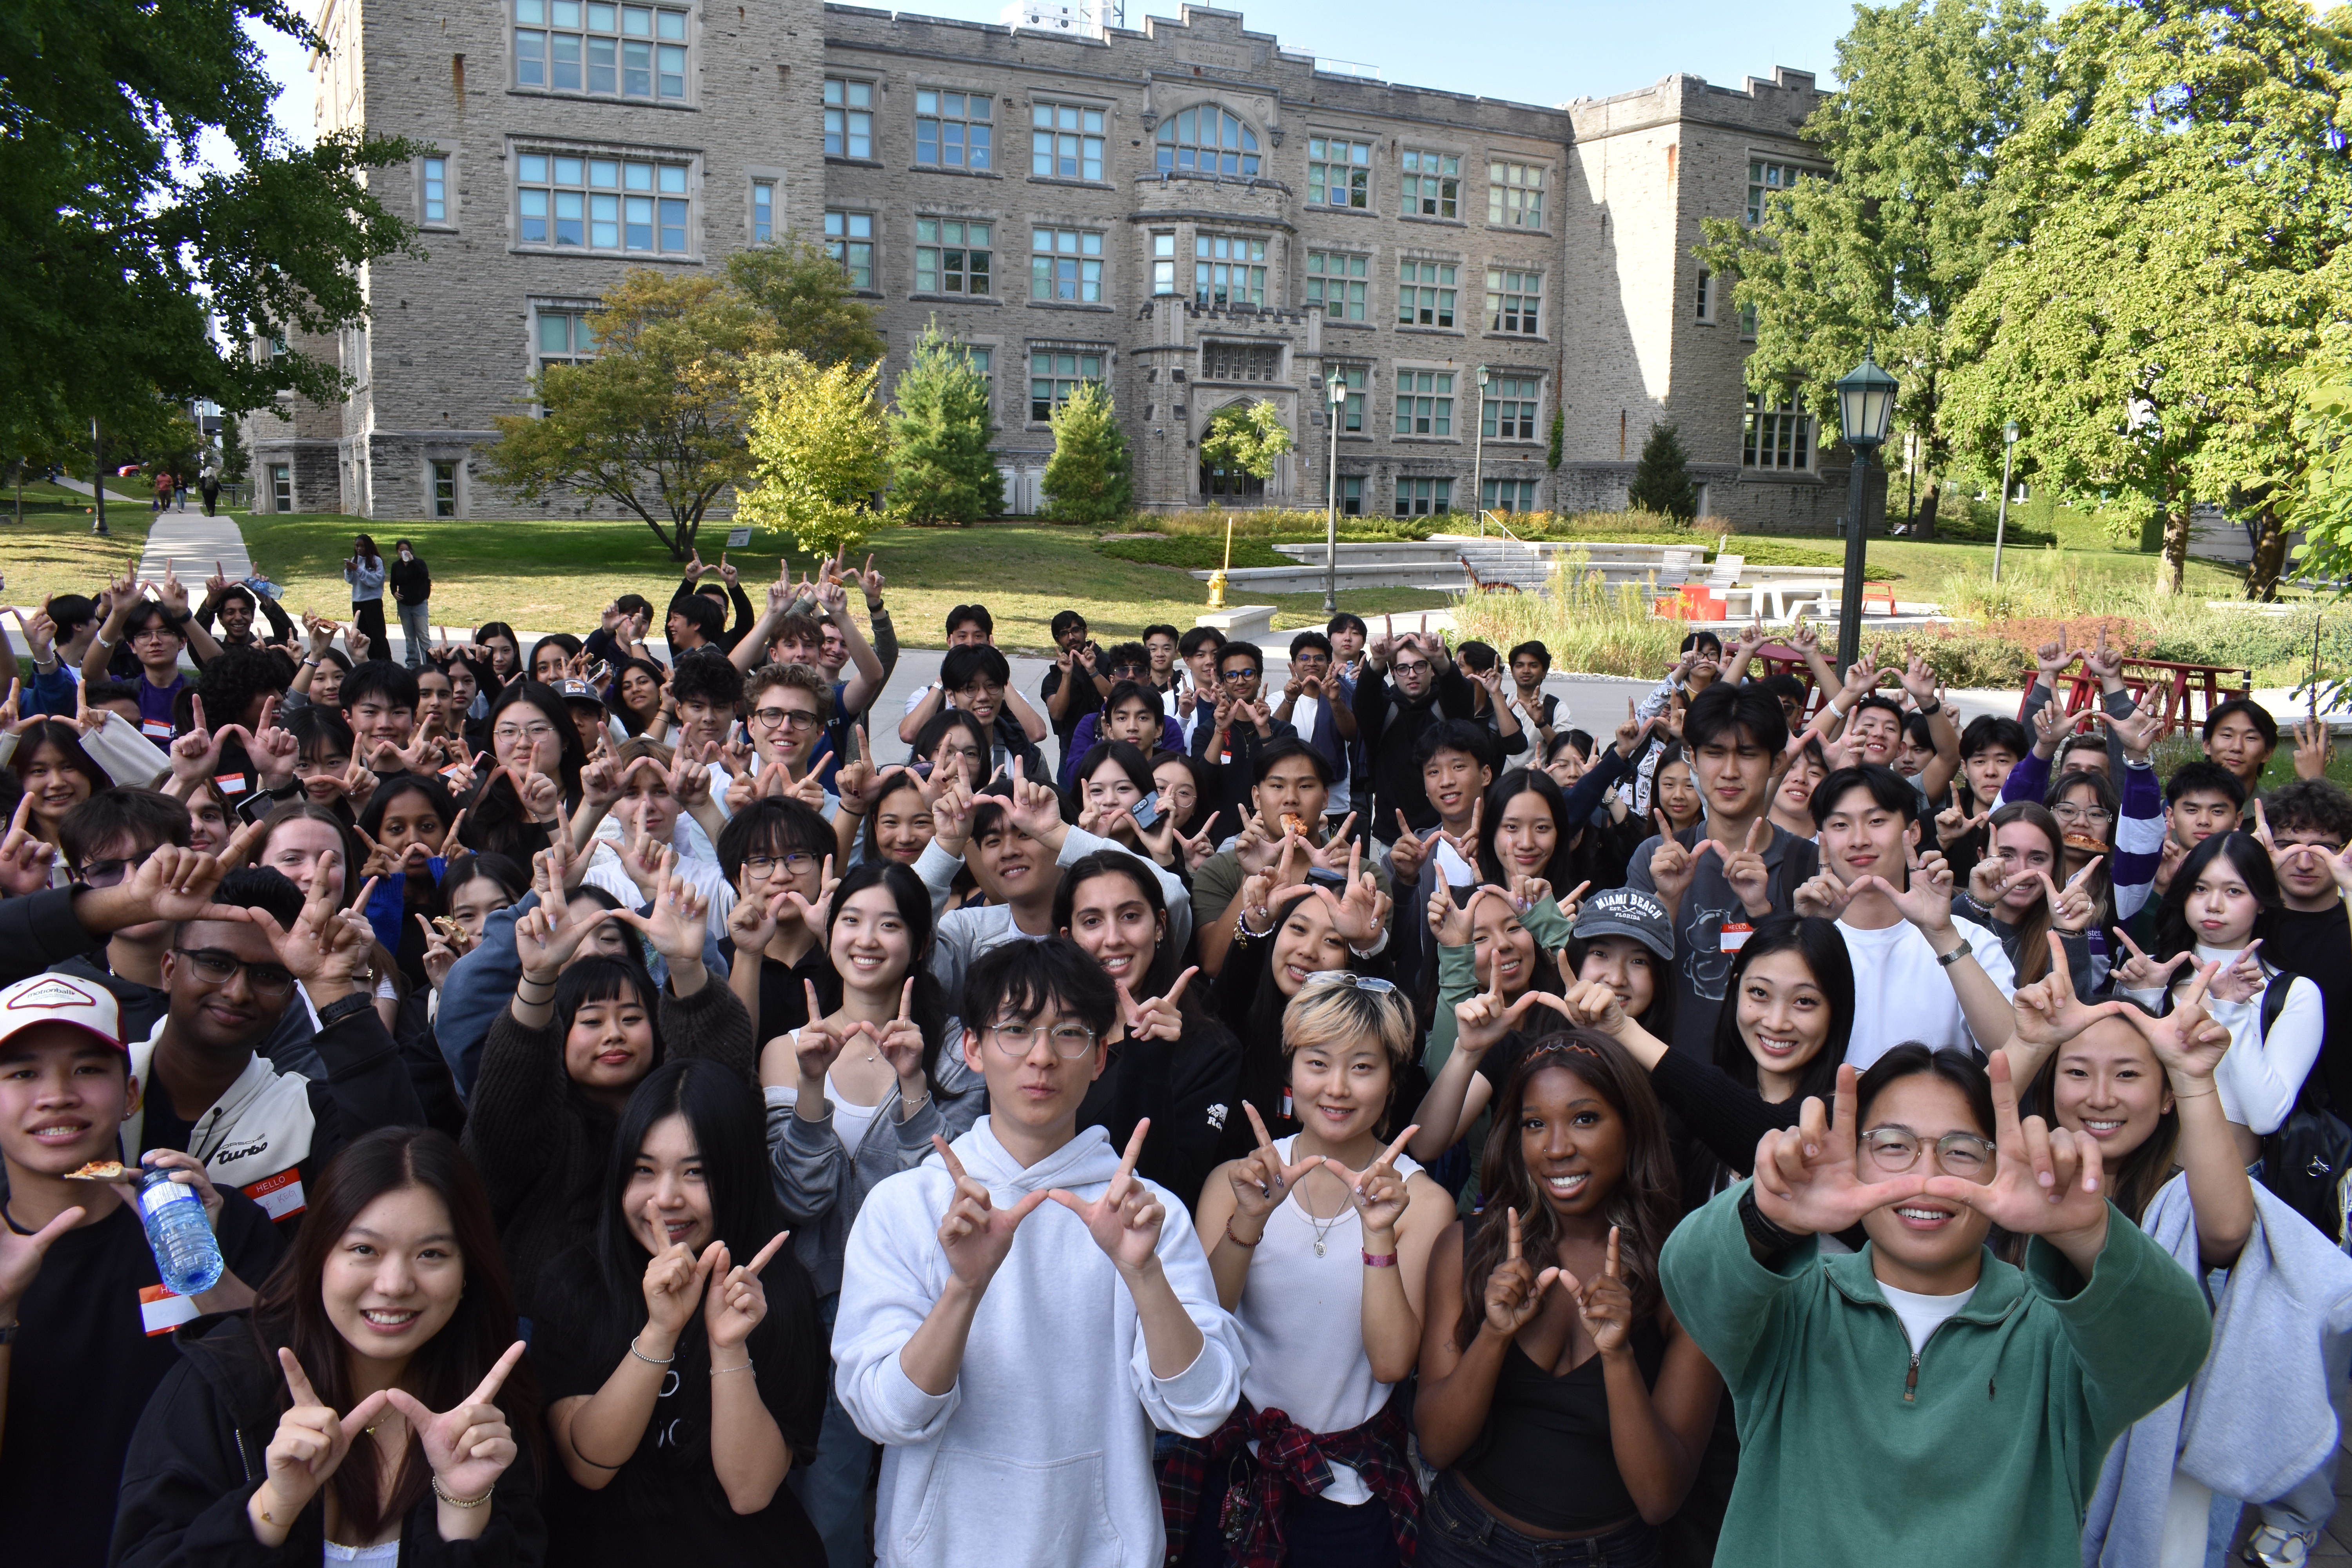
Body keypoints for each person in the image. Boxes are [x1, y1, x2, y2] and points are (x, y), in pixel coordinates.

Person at [1660, 1046, 2212, 1565]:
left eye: (1962, 1151)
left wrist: (2089, 1234)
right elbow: (1690, 1278)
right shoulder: (1790, 1306)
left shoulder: (2060, 1334)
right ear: (1852, 1159)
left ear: (2003, 1168)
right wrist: (1766, 1215)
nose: (1927, 1177)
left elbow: (2174, 1343)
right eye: (1893, 1146)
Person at [831, 937, 1245, 1568]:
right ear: (972, 1048)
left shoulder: (1142, 1214)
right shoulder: (905, 1206)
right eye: (1016, 1031)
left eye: (1071, 1034)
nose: (1043, 1058)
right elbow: (885, 1414)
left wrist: (1144, 1274)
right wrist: (964, 1289)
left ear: (1103, 1056)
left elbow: (1202, 1407)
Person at [111, 1126, 544, 1565]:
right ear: (319, 1255)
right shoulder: (223, 1382)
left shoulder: (486, 1418)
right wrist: (274, 1506)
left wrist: (463, 1507)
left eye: (431, 1254)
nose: (394, 1284)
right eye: (364, 1249)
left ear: (468, 1269)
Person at [0, 974, 287, 1567]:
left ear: (130, 1093)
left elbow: (292, 1399)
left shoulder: (217, 1219)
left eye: (87, 1069)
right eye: (22, 1074)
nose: (56, 1095)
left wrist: (203, 1270)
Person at [1414, 1035, 1722, 1568]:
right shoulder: (1467, 1246)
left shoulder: (1688, 1272)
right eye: (1535, 1124)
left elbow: (1659, 1499)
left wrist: (1620, 1358)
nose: (1556, 1148)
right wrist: (1493, 1335)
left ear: (1631, 1127)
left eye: (1584, 1119)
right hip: (1466, 1543)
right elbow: (1438, 1447)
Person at [1177, 979, 1449, 1566]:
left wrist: (1378, 1232)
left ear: (1392, 1079)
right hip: (1235, 1475)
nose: (1337, 1088)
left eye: (1363, 1067)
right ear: (1291, 1070)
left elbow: (1393, 1363)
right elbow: (1201, 1335)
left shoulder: (1422, 1202)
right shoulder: (1237, 1181)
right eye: (1318, 1063)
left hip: (1350, 1491)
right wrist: (1248, 1221)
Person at [760, 858, 978, 1568]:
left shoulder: (956, 1054)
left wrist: (915, 1088)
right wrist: (812, 1088)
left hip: (930, 1307)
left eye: (890, 924)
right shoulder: (784, 1053)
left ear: (918, 944)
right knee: (829, 1500)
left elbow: (941, 1203)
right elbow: (802, 1198)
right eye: (852, 920)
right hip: (823, 1308)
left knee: (942, 1498)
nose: (867, 938)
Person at [535, 1058, 828, 1563]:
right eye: (643, 1170)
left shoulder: (777, 1291)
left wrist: (728, 1344)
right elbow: (591, 1464)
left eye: (696, 1172)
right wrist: (660, 1330)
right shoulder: (575, 1283)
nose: (666, 1198)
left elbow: (750, 1490)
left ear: (735, 1177)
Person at [462, 865, 750, 1319]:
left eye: (632, 1018)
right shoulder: (539, 1123)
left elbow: (719, 1074)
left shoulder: (674, 1109)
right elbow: (506, 1101)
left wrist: (686, 966)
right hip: (549, 1328)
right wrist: (538, 979)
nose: (613, 1034)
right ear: (558, 1034)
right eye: (592, 1021)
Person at [1625, 682, 1818, 1057]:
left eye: (1747, 754)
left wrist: (1762, 911)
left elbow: (1817, 986)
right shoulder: (1655, 856)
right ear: (1692, 759)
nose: (1730, 772)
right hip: (1665, 1081)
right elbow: (1629, 976)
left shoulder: (1806, 866)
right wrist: (1667, 897)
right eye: (1715, 753)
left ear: (1776, 762)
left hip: (1767, 1086)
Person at [2114, 830, 2324, 1165]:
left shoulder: (2293, 993)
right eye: (2200, 888)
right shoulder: (2151, 974)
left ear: (2262, 903)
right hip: (2139, 1176)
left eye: (2234, 891)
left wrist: (2232, 1011)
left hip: (2237, 1185)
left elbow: (2266, 1116)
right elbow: (2122, 1081)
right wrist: (2147, 998)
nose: (2213, 904)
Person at [1054, 848, 1241, 1209]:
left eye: (1129, 916)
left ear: (1159, 925)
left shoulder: (1211, 1049)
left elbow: (1171, 1189)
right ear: (1067, 937)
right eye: (1092, 922)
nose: (1113, 939)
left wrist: (1147, 1061)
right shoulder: (1041, 1031)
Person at [1794, 765, 2016, 1067]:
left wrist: (1942, 934)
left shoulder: (1970, 939)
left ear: (1912, 833)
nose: (1859, 840)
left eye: (1876, 821)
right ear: (1822, 838)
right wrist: (1809, 931)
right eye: (1840, 825)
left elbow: (2011, 1049)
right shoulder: (1799, 939)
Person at [2260, 780, 2352, 1112]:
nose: (2303, 863)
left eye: (2322, 849)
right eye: (2287, 846)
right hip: (2260, 1120)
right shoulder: (2242, 925)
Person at [344, 535, 390, 664]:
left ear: (368, 546)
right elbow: (350, 581)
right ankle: (369, 663)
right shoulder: (355, 560)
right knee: (363, 636)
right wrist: (349, 570)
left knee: (378, 636)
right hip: (358, 602)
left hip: (372, 602)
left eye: (362, 546)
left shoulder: (377, 561)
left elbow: (375, 581)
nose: (359, 549)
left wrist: (358, 569)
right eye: (357, 546)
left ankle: (385, 663)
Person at [389, 541, 434, 669]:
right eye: (401, 550)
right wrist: (394, 593)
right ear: (397, 552)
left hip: (419, 604)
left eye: (406, 549)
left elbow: (424, 575)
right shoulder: (396, 566)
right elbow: (393, 583)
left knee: (423, 636)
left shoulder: (419, 563)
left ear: (411, 551)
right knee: (410, 637)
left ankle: (429, 663)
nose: (404, 552)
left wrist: (412, 561)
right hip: (404, 605)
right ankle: (413, 664)